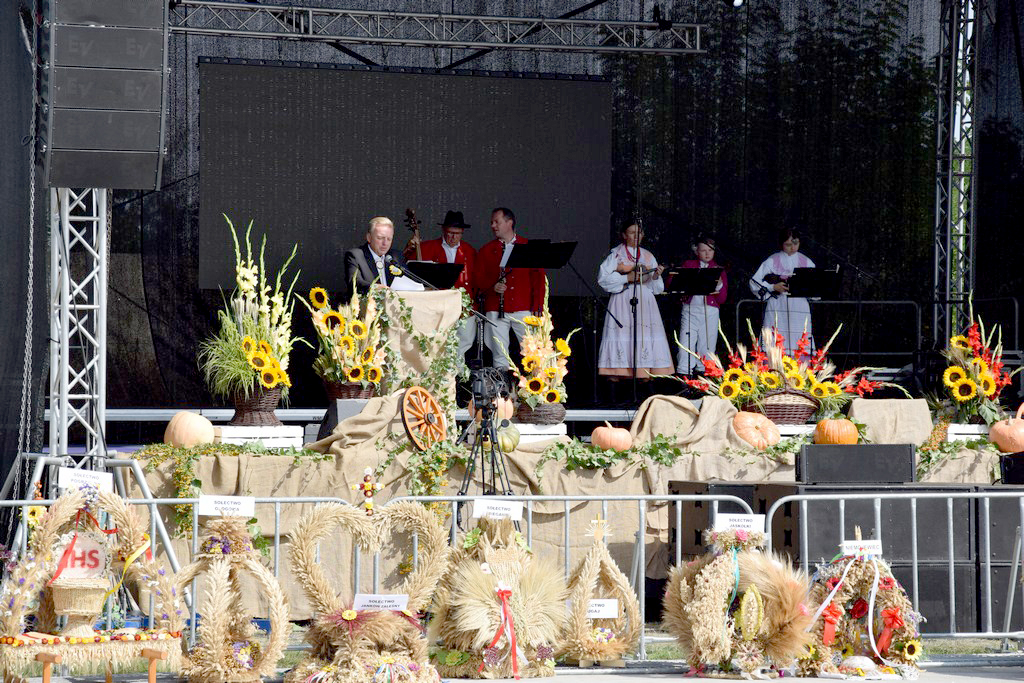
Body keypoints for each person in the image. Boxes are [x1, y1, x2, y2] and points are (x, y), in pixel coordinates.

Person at [597, 221, 674, 379]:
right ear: (624, 235)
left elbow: (657, 288)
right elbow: (603, 279)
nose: (636, 236)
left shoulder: (648, 255)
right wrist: (627, 277)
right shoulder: (616, 254)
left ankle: (643, 377)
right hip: (622, 300)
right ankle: (619, 376)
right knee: (623, 334)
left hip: (644, 301)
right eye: (632, 232)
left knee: (643, 335)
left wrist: (656, 276)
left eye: (639, 232)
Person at [474, 207, 545, 370]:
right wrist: (492, 287)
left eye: (496, 222)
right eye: (492, 222)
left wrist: (537, 308)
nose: (493, 225)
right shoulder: (486, 250)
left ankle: (533, 392)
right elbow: (478, 279)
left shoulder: (527, 246)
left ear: (509, 222)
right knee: (499, 354)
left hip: (524, 308)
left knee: (532, 353)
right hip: (495, 308)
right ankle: (502, 393)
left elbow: (538, 279)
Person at [405, 210, 478, 359]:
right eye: (450, 233)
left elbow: (476, 279)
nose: (453, 237)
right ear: (443, 230)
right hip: (437, 306)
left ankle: (458, 377)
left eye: (457, 234)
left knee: (463, 343)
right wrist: (409, 248)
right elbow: (408, 268)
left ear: (462, 232)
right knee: (437, 344)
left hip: (464, 306)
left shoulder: (469, 251)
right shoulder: (427, 247)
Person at [750, 226, 816, 354]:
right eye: (788, 244)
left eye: (795, 243)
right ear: (781, 244)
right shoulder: (772, 260)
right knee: (775, 341)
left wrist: (807, 289)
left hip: (799, 307)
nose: (792, 247)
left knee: (800, 341)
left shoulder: (807, 262)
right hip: (777, 304)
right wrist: (773, 287)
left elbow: (816, 289)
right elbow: (754, 282)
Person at [676, 235, 728, 374]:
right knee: (686, 342)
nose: (707, 253)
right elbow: (676, 287)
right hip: (690, 309)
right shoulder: (689, 265)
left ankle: (704, 375)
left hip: (710, 312)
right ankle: (684, 374)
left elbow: (722, 299)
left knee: (707, 345)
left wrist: (718, 286)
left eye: (710, 250)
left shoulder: (718, 269)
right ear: (696, 251)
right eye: (703, 250)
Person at [343, 216, 405, 295]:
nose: (385, 243)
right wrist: (375, 287)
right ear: (369, 237)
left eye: (389, 239)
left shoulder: (396, 256)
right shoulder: (355, 255)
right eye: (380, 238)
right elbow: (354, 282)